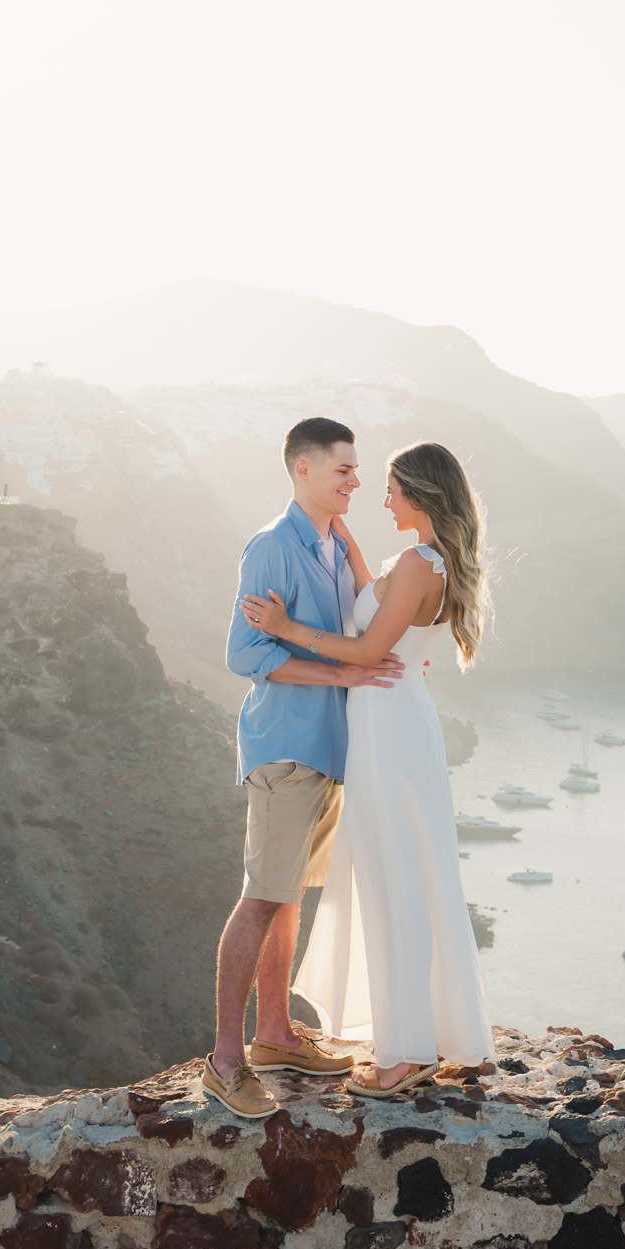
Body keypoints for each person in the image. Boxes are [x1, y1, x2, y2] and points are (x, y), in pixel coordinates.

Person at [241, 440, 495, 1097]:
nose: (382, 498)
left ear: (420, 494)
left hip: (387, 730)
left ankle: (403, 1055)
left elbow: (365, 648)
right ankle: (428, 1038)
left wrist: (284, 625)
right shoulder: (421, 562)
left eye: (391, 488)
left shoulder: (416, 562)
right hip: (394, 723)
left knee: (391, 885)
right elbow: (373, 607)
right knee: (408, 877)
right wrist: (347, 545)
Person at [203, 417, 406, 1119]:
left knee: (288, 895)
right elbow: (244, 655)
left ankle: (275, 1034)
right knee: (262, 896)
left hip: (325, 750)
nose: (355, 480)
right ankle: (225, 1062)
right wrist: (343, 679)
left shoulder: (328, 542)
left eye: (355, 470)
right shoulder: (270, 548)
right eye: (342, 471)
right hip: (286, 747)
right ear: (303, 470)